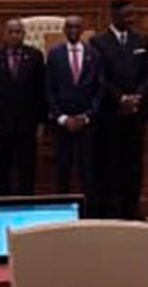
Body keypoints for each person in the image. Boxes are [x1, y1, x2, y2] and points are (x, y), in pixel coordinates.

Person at [94, 0, 148, 220]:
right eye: (127, 15)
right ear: (114, 16)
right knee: (111, 164)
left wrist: (138, 96)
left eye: (132, 15)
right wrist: (120, 97)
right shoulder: (99, 42)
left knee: (134, 165)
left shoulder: (141, 39)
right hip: (110, 114)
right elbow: (100, 77)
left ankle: (132, 211)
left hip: (136, 114)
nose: (131, 19)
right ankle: (112, 212)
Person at [0, 19, 46, 198]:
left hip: (28, 125)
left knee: (27, 170)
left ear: (24, 34)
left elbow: (41, 91)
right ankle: (1, 209)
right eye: (11, 32)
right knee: (1, 171)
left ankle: (26, 208)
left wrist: (41, 122)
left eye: (18, 32)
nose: (14, 35)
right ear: (4, 34)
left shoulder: (35, 56)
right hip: (1, 125)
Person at [46, 15, 100, 207]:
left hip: (86, 123)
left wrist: (87, 116)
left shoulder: (94, 53)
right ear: (64, 30)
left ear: (83, 30)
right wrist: (61, 117)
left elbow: (98, 89)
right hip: (62, 123)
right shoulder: (54, 54)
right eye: (69, 27)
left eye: (77, 27)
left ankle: (89, 212)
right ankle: (62, 210)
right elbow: (48, 89)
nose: (73, 31)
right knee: (63, 169)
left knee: (88, 171)